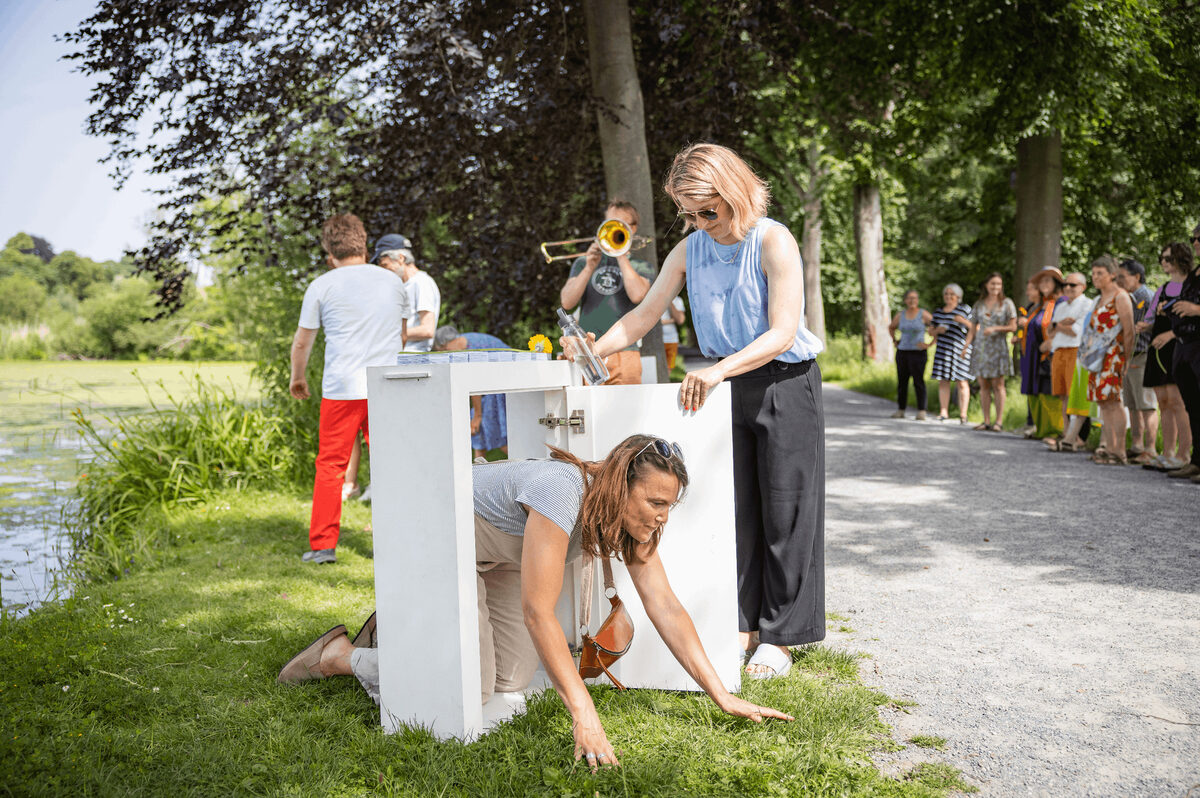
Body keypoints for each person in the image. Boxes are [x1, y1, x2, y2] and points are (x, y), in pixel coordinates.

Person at [277, 434, 792, 767]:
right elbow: (537, 612)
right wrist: (583, 713)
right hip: (439, 534)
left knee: (510, 681)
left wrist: (720, 694)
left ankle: (403, 637)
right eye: (655, 502)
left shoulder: (633, 523)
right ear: (621, 485)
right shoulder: (562, 490)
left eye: (669, 506)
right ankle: (340, 656)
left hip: (497, 554)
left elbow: (667, 608)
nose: (662, 516)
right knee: (473, 685)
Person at [564, 143, 825, 680]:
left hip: (784, 380)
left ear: (735, 192)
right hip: (727, 383)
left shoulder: (774, 240)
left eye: (709, 211)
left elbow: (782, 332)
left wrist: (718, 369)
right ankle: (745, 626)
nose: (701, 223)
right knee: (738, 512)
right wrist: (594, 350)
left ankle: (782, 636)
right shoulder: (690, 249)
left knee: (786, 511)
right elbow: (642, 317)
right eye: (689, 214)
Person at [290, 214, 411, 563]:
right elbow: (403, 336)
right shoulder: (393, 283)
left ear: (330, 254)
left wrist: (298, 376)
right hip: (386, 385)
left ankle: (323, 546)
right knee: (389, 463)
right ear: (364, 246)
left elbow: (302, 342)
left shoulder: (322, 285)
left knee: (331, 465)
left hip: (342, 389)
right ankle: (397, 539)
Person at [559, 200, 656, 384]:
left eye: (620, 224)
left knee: (626, 402)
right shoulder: (583, 262)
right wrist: (589, 267)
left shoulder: (641, 266)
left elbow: (638, 295)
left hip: (626, 352)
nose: (613, 228)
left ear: (633, 228)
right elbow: (567, 302)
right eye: (609, 223)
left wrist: (620, 253)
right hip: (588, 350)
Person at [1141, 243, 1192, 471]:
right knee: (1163, 401)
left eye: (1168, 258)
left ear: (1181, 258)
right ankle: (1168, 452)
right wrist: (1143, 326)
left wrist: (1171, 334)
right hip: (1158, 349)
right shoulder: (1162, 288)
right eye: (1161, 258)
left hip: (1177, 346)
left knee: (1177, 401)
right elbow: (1150, 317)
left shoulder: (1191, 287)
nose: (1163, 262)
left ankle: (1184, 454)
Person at [1085, 255, 1135, 465]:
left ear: (1112, 274)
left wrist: (1126, 360)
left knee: (1114, 401)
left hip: (1115, 354)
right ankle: (1109, 446)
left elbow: (1129, 331)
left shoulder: (1120, 297)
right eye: (1093, 273)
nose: (1095, 277)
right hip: (1098, 356)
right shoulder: (1098, 299)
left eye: (1100, 273)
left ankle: (1120, 450)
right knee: (1103, 402)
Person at [433, 325, 511, 459]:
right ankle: (478, 468)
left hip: (504, 383)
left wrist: (478, 416)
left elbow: (474, 383)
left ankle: (530, 464)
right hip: (495, 384)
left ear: (449, 342)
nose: (447, 354)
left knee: (493, 430)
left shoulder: (468, 352)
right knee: (477, 430)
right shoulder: (465, 342)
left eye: (445, 350)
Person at [1162, 233, 1200, 482]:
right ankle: (1196, 461)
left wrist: (1196, 309)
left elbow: (1194, 307)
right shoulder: (1194, 274)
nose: (1195, 242)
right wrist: (1170, 308)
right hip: (1185, 346)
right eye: (1193, 238)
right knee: (1193, 407)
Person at [1114, 259, 1159, 464]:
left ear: (1137, 276)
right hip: (1128, 357)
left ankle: (1151, 449)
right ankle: (1137, 445)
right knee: (1132, 404)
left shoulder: (1147, 297)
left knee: (1146, 404)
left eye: (1122, 276)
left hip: (1143, 356)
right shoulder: (1127, 297)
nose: (1119, 280)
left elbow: (1157, 325)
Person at [962, 273, 1017, 431]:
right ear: (986, 285)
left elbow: (1013, 327)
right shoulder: (979, 304)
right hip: (981, 348)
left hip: (998, 348)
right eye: (993, 284)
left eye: (998, 284)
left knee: (998, 385)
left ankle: (998, 421)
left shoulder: (1007, 303)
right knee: (983, 384)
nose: (995, 287)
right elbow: (972, 328)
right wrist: (966, 346)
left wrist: (995, 328)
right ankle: (986, 420)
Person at [1043, 271, 1091, 449]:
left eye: (1073, 285)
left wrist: (1058, 325)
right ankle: (1066, 433)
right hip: (1059, 351)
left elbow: (1075, 331)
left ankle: (1079, 437)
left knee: (1074, 394)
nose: (1068, 288)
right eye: (1065, 285)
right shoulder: (1061, 306)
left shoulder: (1087, 304)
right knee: (1062, 394)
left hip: (1075, 350)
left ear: (1083, 287)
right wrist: (1062, 324)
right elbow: (1049, 331)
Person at [1019, 267, 1066, 440]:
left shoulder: (1061, 302)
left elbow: (1065, 325)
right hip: (1033, 357)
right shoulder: (1040, 305)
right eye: (1041, 281)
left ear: (1056, 283)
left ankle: (1055, 430)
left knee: (1049, 392)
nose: (1044, 284)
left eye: (1048, 280)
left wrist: (1053, 341)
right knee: (1037, 391)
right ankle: (1041, 429)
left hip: (1051, 355)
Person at [373, 233, 440, 352]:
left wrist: (389, 334)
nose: (384, 271)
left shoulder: (422, 283)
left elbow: (427, 330)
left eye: (385, 265)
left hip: (413, 356)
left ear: (401, 258)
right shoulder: (403, 286)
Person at [929, 283, 973, 423]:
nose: (948, 296)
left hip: (961, 350)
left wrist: (962, 321)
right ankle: (944, 412)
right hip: (943, 350)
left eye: (952, 294)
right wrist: (937, 331)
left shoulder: (965, 309)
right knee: (944, 380)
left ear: (958, 296)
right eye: (946, 294)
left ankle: (963, 414)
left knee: (962, 381)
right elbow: (930, 331)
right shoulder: (938, 312)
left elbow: (975, 328)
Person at [887, 289, 932, 420]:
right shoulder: (900, 315)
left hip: (918, 353)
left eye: (915, 298)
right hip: (903, 352)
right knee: (902, 381)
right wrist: (895, 340)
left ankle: (921, 410)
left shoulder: (923, 314)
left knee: (918, 382)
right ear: (905, 300)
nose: (912, 300)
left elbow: (936, 326)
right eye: (910, 298)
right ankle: (901, 409)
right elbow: (891, 327)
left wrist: (930, 343)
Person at [660, 295, 687, 371]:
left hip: (671, 339)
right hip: (656, 340)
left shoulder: (678, 300)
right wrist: (671, 320)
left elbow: (680, 320)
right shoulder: (654, 296)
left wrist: (669, 301)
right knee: (658, 367)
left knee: (669, 368)